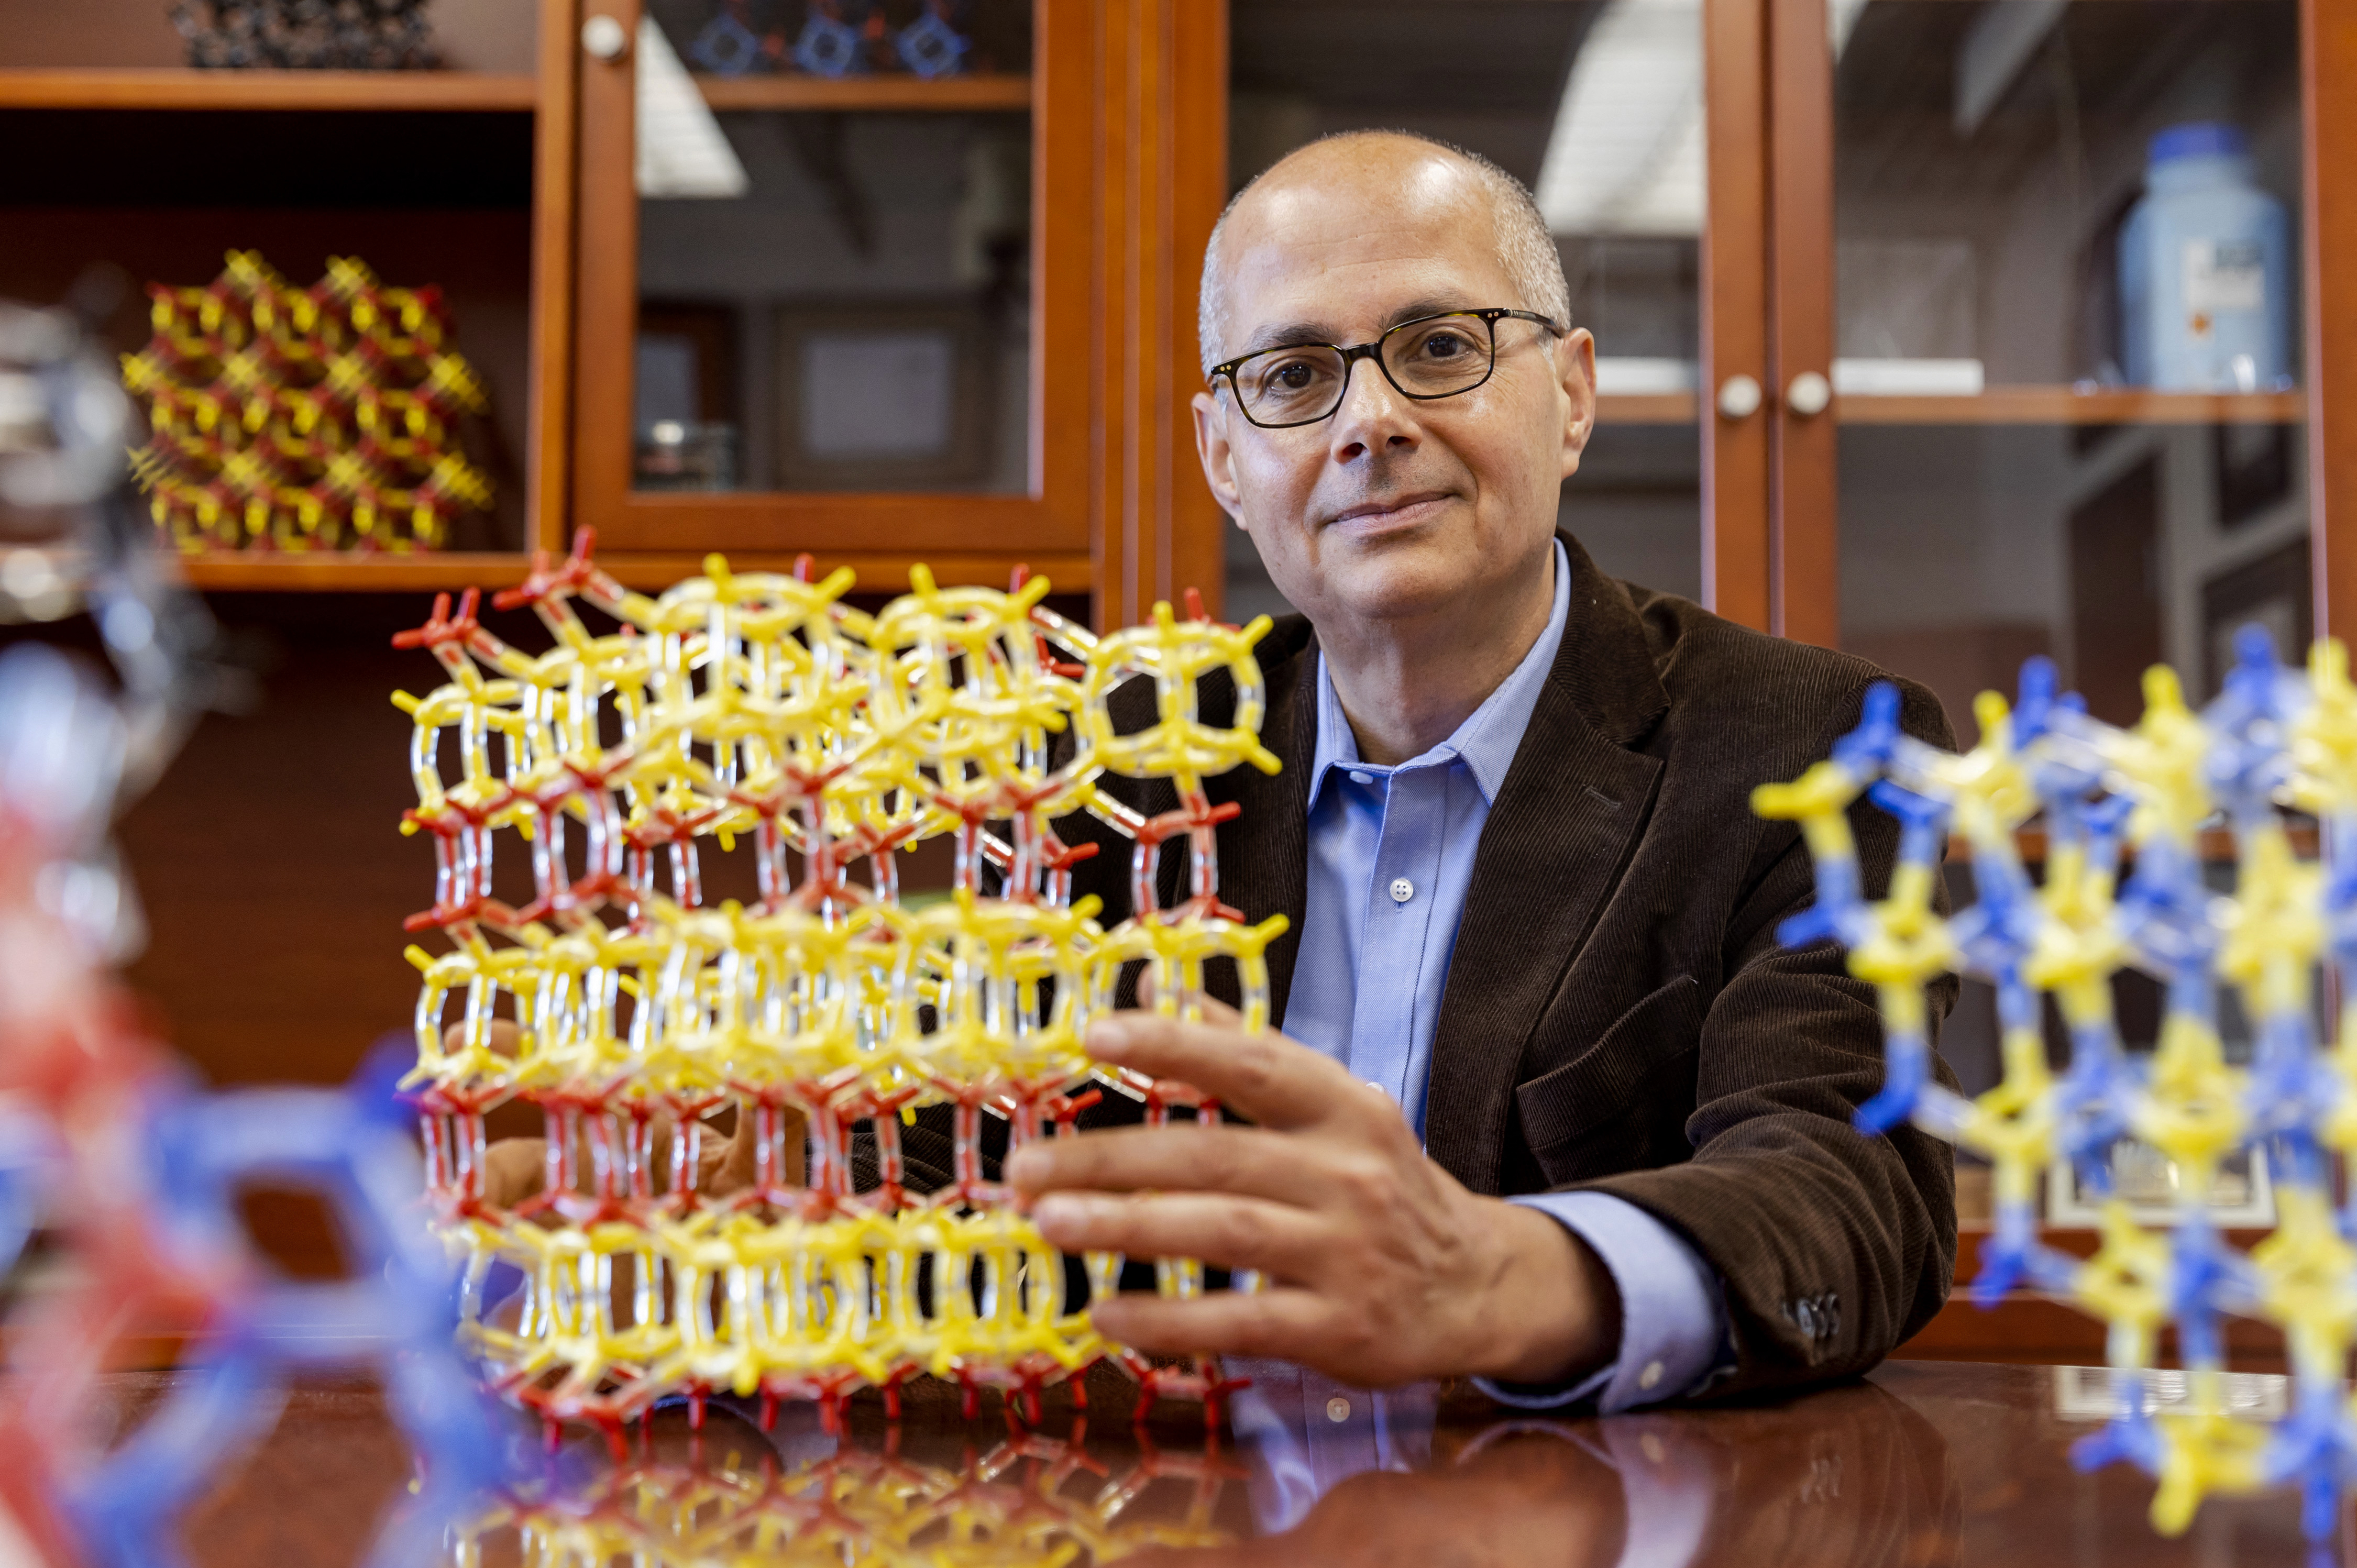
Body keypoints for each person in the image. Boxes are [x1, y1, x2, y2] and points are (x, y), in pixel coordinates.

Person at [481, 129, 1957, 1410]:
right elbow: (976, 1140)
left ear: (1570, 394)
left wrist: (1508, 1274)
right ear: (1223, 458)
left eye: (1439, 348)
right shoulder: (1108, 776)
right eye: (1294, 375)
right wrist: (770, 1184)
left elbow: (1854, 1194)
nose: (1369, 423)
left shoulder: (1817, 754)